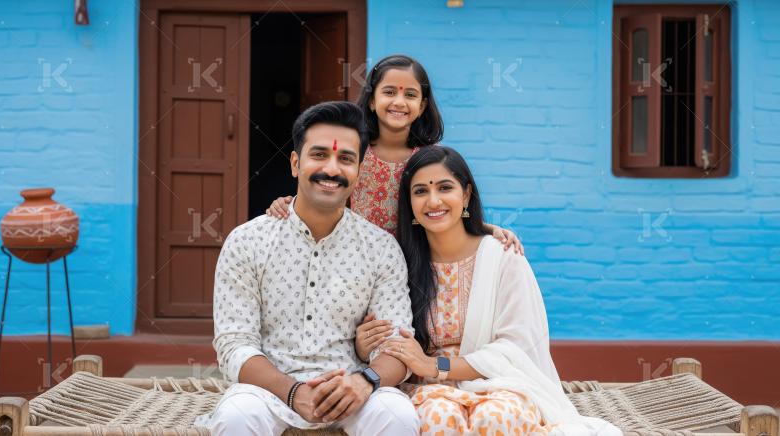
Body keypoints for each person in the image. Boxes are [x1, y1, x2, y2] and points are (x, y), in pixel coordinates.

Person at [356, 146, 622, 436]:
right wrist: (364, 346)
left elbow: (516, 348)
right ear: (410, 203)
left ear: (466, 194)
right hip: (426, 388)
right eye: (420, 191)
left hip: (500, 383)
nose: (433, 200)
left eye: (445, 188)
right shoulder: (399, 262)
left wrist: (434, 364)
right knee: (438, 419)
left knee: (496, 418)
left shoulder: (503, 257)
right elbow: (387, 338)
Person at [200, 101, 419, 436]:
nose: (331, 169)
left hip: (352, 389)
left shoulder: (380, 249)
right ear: (295, 163)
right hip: (268, 393)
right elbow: (234, 345)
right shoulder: (248, 241)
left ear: (358, 172)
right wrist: (293, 391)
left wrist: (365, 381)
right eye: (319, 155)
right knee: (236, 416)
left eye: (345, 159)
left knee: (397, 414)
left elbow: (396, 345)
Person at [265, 54, 524, 253]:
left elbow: (448, 210)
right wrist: (287, 202)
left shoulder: (429, 160)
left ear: (421, 106)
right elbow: (327, 195)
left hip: (416, 264)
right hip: (354, 260)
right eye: (389, 92)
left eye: (410, 95)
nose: (399, 102)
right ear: (371, 100)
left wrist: (489, 229)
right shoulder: (352, 155)